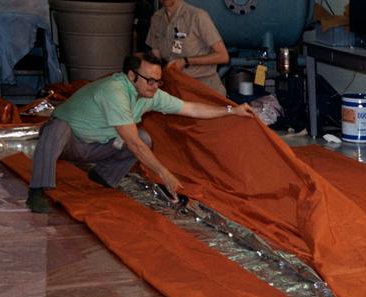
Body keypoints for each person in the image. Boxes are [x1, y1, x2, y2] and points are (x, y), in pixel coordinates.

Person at [26, 51, 252, 212]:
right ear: (131, 76)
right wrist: (164, 174)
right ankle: (37, 189)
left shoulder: (150, 94)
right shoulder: (114, 91)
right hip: (70, 142)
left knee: (144, 137)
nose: (154, 86)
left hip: (98, 146)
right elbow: (133, 143)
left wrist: (231, 110)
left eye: (158, 81)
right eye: (150, 81)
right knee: (58, 127)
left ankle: (103, 175)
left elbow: (190, 109)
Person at [145, 0, 230, 95]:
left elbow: (223, 56)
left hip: (203, 88)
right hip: (175, 87)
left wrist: (186, 61)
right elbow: (156, 56)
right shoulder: (156, 19)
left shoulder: (197, 16)